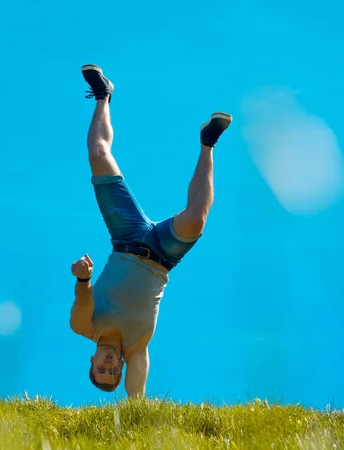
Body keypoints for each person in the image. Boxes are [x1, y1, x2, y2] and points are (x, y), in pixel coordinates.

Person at [69, 64, 232, 398]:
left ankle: (103, 96)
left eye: (101, 367)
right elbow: (137, 400)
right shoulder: (137, 348)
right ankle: (208, 142)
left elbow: (83, 300)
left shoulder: (84, 327)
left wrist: (83, 277)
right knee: (196, 219)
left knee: (99, 156)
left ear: (93, 359)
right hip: (162, 255)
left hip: (125, 238)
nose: (109, 364)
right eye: (113, 372)